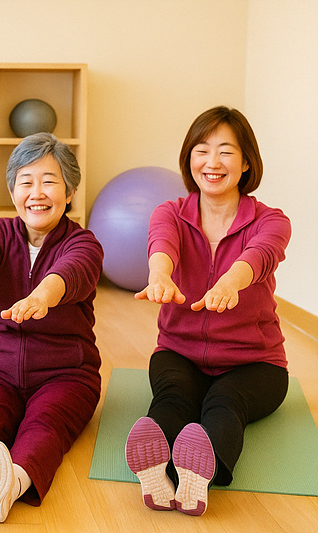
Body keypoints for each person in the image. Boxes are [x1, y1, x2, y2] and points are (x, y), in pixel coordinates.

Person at [126, 106, 291, 516]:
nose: (212, 162)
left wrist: (229, 283)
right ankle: (155, 471)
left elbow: (259, 256)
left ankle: (199, 476)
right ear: (189, 159)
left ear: (246, 162)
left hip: (255, 363)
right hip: (179, 352)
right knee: (174, 398)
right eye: (202, 150)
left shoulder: (271, 221)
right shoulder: (170, 212)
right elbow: (162, 244)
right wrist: (159, 275)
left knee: (225, 401)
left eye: (226, 152)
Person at [0, 132, 103, 522]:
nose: (36, 192)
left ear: (70, 192)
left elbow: (69, 273)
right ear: (13, 192)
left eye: (49, 181)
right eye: (26, 182)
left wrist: (41, 297)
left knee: (45, 425)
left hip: (67, 374)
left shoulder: (84, 243)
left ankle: (11, 483)